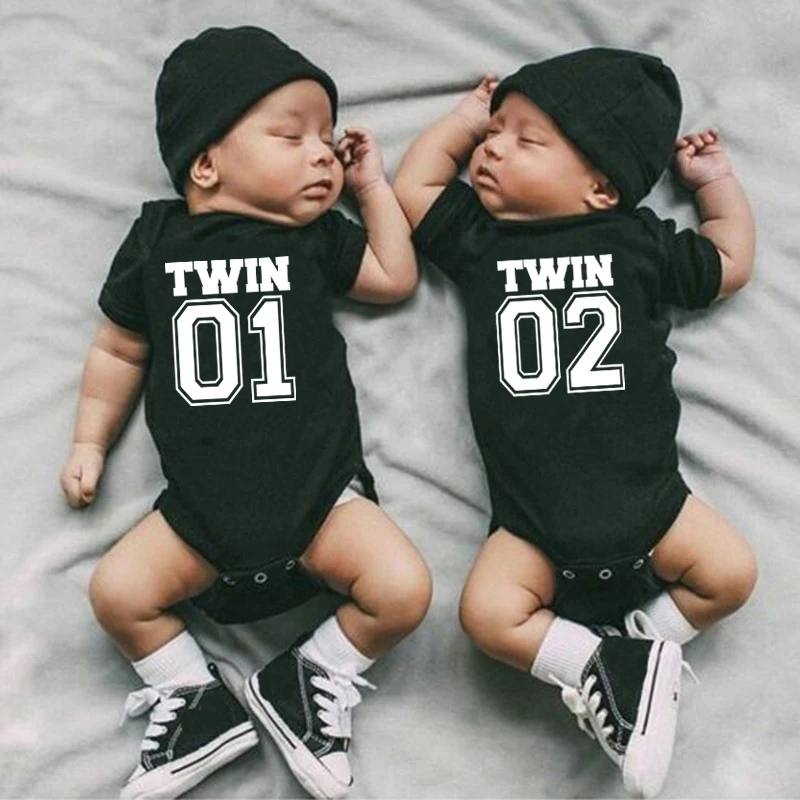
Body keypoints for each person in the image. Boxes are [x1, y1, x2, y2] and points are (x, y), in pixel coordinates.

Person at [60, 26, 431, 800]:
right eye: (292, 137)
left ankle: (309, 676)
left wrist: (371, 189)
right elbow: (119, 350)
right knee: (117, 593)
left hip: (321, 503)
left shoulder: (313, 238)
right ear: (205, 163)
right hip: (199, 516)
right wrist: (90, 441)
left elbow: (394, 277)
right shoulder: (157, 239)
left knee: (403, 590)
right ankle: (194, 699)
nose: (323, 154)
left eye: (327, 139)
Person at [393, 47, 756, 798]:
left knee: (730, 574)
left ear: (601, 188)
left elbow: (728, 259)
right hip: (532, 523)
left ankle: (636, 650)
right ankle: (600, 665)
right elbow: (416, 186)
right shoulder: (483, 239)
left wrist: (713, 183)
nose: (493, 148)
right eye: (494, 132)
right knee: (487, 616)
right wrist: (463, 120)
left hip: (651, 501)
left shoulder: (639, 241)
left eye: (526, 140)